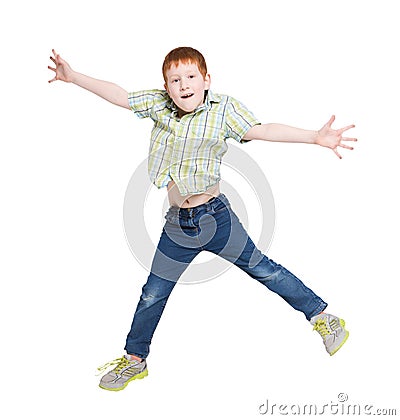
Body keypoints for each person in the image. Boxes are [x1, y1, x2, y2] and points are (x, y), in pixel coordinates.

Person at [48, 47, 356, 391]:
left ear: (206, 80)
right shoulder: (160, 106)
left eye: (191, 77)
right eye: (175, 80)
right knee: (153, 292)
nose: (184, 85)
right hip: (178, 225)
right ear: (166, 87)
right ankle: (135, 360)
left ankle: (322, 316)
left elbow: (263, 129)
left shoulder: (223, 110)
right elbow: (120, 96)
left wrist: (313, 137)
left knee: (264, 269)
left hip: (216, 218)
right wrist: (73, 77)